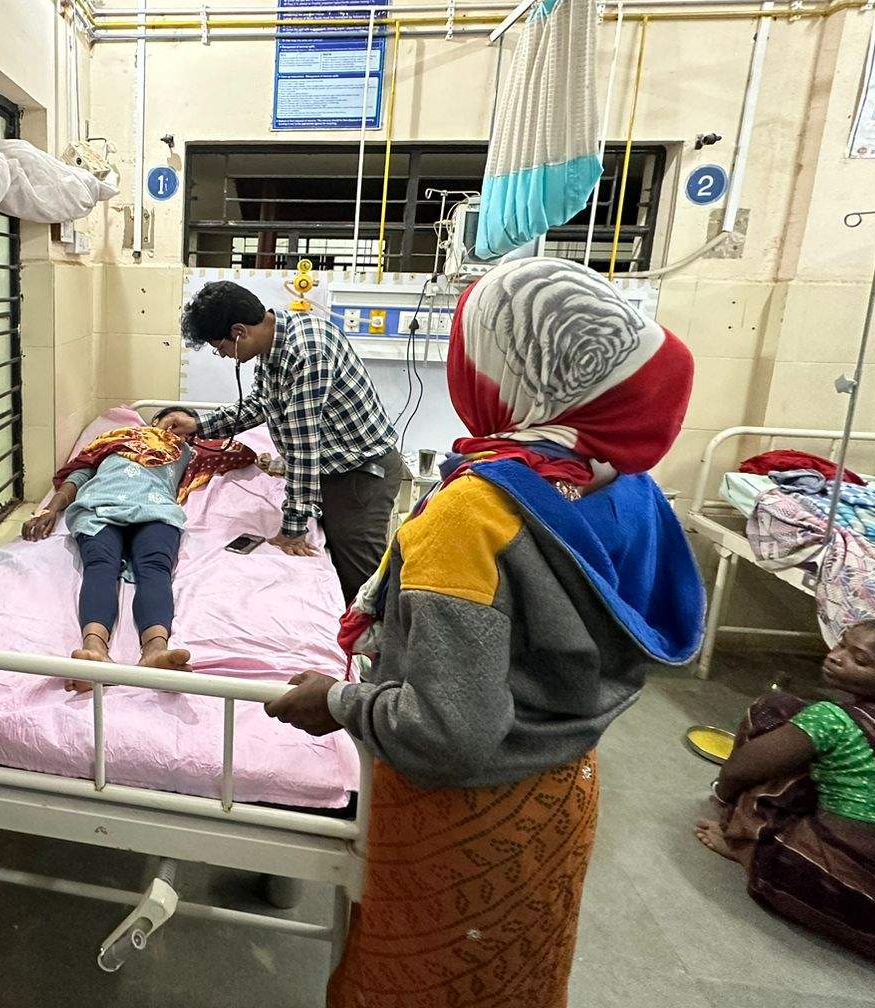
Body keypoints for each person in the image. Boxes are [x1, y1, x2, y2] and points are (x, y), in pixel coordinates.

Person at [263, 257, 704, 1008]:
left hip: (463, 815)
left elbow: (448, 731)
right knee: (517, 982)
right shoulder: (625, 485)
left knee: (420, 987)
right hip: (559, 791)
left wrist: (336, 702)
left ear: (509, 368)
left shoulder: (474, 515)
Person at [697, 620, 875, 965]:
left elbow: (739, 770)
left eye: (860, 660)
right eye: (842, 644)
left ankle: (746, 845)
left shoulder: (831, 718)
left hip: (839, 894)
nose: (836, 657)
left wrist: (725, 798)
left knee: (771, 712)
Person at [177, 283, 404, 603]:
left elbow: (303, 447)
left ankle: (380, 636)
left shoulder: (307, 350)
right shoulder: (272, 347)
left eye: (220, 347)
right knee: (342, 576)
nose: (224, 355)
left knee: (361, 584)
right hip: (332, 469)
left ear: (239, 332)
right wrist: (199, 426)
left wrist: (293, 529)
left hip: (361, 473)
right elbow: (259, 405)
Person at [25, 407, 255, 689]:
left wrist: (199, 435)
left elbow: (242, 453)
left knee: (156, 569)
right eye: (172, 422)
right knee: (100, 566)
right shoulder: (116, 438)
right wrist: (50, 509)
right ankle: (94, 652)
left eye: (185, 428)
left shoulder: (191, 452)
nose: (177, 431)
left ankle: (155, 652)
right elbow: (80, 474)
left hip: (155, 509)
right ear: (154, 421)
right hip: (100, 504)